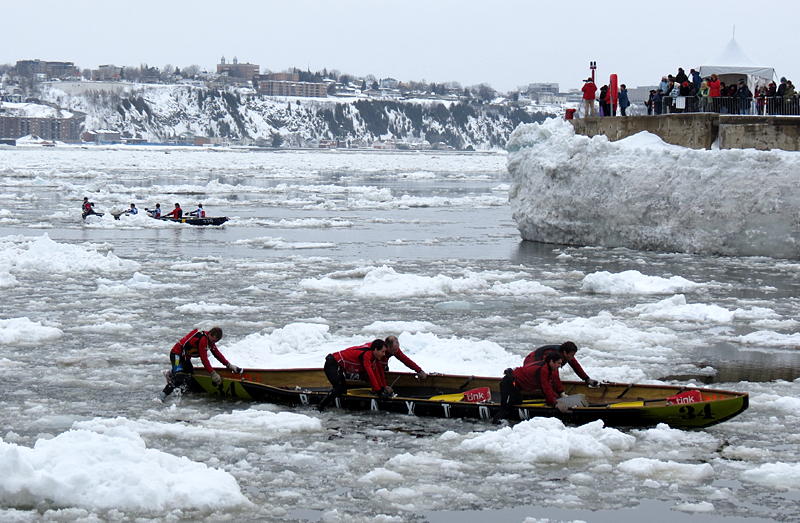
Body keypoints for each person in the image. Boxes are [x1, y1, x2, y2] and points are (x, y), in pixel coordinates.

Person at [155, 326, 242, 403]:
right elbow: (204, 359)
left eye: (215, 342)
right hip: (177, 354)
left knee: (189, 375)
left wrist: (229, 365)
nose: (213, 343)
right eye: (213, 340)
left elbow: (217, 354)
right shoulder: (203, 340)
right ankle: (161, 397)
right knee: (179, 378)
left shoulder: (209, 340)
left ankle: (169, 373)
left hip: (185, 357)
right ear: (210, 334)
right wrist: (212, 373)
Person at [492, 351, 568, 423]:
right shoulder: (543, 369)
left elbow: (548, 386)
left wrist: (556, 398)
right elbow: (545, 389)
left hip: (516, 387)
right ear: (551, 362)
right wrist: (555, 404)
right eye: (558, 363)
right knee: (506, 408)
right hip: (509, 384)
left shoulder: (547, 369)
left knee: (517, 404)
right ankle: (495, 424)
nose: (560, 366)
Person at [317, 339, 392, 412]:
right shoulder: (366, 355)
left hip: (340, 367)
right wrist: (379, 393)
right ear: (375, 350)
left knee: (343, 391)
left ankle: (338, 404)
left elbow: (376, 373)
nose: (384, 354)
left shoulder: (374, 357)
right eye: (382, 352)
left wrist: (382, 389)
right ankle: (319, 407)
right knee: (338, 389)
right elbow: (370, 374)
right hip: (332, 363)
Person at [523, 341, 598, 386]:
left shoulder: (568, 356)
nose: (572, 357)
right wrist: (560, 392)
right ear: (565, 352)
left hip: (540, 361)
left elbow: (576, 366)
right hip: (531, 361)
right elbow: (553, 373)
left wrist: (587, 379)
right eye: (572, 355)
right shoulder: (554, 357)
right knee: (543, 379)